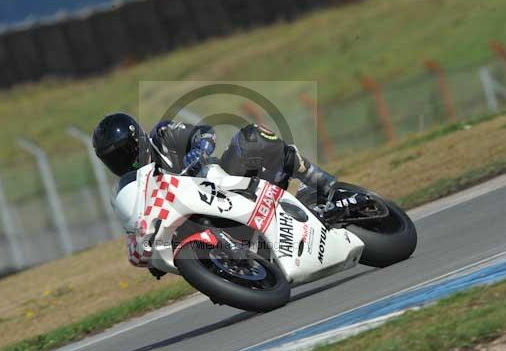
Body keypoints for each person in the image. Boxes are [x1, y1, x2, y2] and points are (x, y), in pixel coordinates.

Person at [92, 113, 336, 267]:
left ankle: (317, 179)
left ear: (138, 141)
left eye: (124, 153)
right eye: (112, 159)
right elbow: (139, 228)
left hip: (224, 186)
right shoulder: (135, 191)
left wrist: (199, 151)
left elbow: (204, 132)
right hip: (202, 226)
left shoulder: (163, 136)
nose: (122, 163)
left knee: (253, 136)